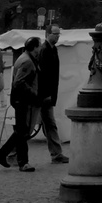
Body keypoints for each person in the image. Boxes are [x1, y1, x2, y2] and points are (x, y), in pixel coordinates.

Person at [0, 38, 40, 172]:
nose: (40, 48)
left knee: (22, 131)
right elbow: (19, 82)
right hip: (22, 99)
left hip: (20, 99)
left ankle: (18, 161)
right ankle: (14, 159)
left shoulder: (24, 57)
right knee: (21, 132)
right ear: (35, 47)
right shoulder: (27, 61)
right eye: (39, 46)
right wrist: (33, 94)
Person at [36, 29, 68, 164]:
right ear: (47, 34)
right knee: (42, 124)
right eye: (55, 34)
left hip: (48, 94)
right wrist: (47, 94)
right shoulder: (45, 50)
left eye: (58, 34)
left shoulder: (52, 49)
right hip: (44, 95)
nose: (57, 36)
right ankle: (12, 153)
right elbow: (43, 75)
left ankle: (56, 153)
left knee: (49, 124)